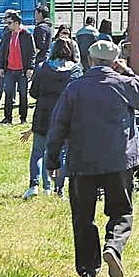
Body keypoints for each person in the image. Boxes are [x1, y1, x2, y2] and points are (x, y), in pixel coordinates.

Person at [46, 39, 139, 277]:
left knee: (83, 216)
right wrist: (128, 72)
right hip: (118, 159)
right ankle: (113, 246)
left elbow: (58, 125)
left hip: (82, 160)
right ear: (115, 62)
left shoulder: (75, 88)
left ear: (90, 60)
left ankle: (87, 271)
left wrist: (52, 160)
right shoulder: (124, 84)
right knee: (121, 211)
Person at [22, 38, 84, 199]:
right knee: (61, 154)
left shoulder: (43, 68)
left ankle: (34, 185)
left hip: (43, 113)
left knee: (38, 152)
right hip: (65, 115)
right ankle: (59, 189)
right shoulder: (76, 70)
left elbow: (33, 92)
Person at [0, 11, 34, 125]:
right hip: (9, 69)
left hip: (22, 70)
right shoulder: (7, 35)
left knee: (23, 94)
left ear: (16, 23)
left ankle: (23, 118)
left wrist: (30, 68)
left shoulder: (26, 35)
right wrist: (2, 67)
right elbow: (3, 51)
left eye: (9, 23)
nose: (7, 25)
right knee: (8, 93)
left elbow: (32, 53)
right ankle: (7, 118)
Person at [32, 5, 53, 69]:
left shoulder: (40, 28)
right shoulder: (47, 26)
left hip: (40, 59)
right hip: (46, 57)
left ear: (40, 14)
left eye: (35, 13)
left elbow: (40, 45)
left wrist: (33, 56)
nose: (34, 15)